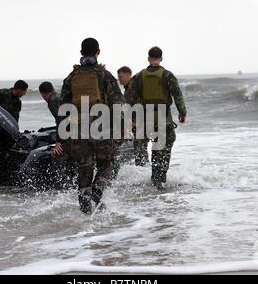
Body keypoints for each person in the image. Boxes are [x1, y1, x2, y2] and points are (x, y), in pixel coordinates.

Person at [56, 38, 124, 214]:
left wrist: (59, 139)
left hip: (78, 132)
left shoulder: (71, 78)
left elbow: (62, 110)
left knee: (84, 168)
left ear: (81, 53)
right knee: (107, 164)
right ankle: (98, 188)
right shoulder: (105, 75)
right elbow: (117, 103)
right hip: (102, 129)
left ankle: (85, 211)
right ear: (98, 52)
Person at [128, 46, 187, 190]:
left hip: (143, 120)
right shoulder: (168, 75)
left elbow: (129, 98)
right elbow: (177, 95)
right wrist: (182, 112)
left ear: (148, 58)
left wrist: (130, 117)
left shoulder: (138, 77)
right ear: (161, 59)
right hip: (162, 119)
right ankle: (159, 180)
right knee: (163, 148)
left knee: (142, 149)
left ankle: (142, 180)